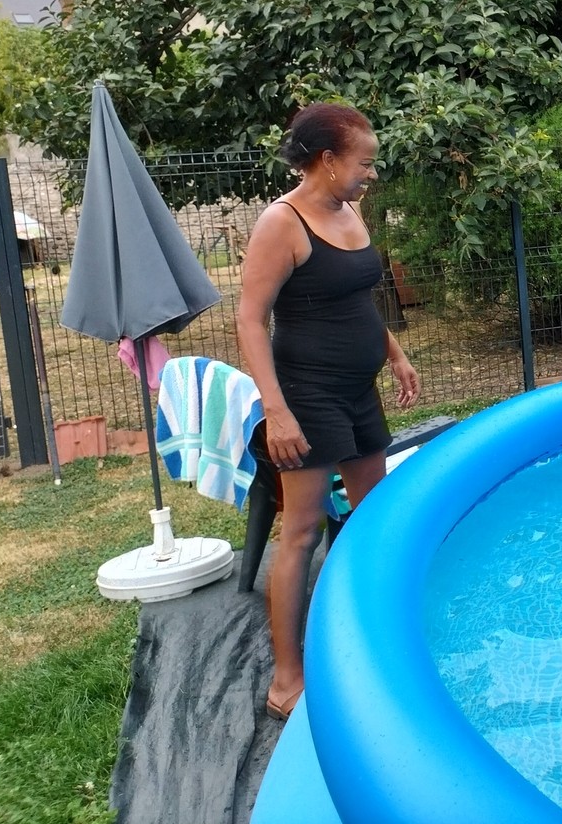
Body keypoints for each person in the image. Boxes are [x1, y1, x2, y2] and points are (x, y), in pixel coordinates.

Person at [236, 101, 419, 721]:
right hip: (307, 394)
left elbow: (357, 297)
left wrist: (394, 354)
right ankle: (287, 679)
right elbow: (250, 320)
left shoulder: (351, 211)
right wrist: (277, 410)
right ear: (327, 159)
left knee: (374, 513)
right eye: (363, 163)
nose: (370, 174)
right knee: (303, 531)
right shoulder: (281, 223)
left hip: (357, 389)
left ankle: (370, 638)